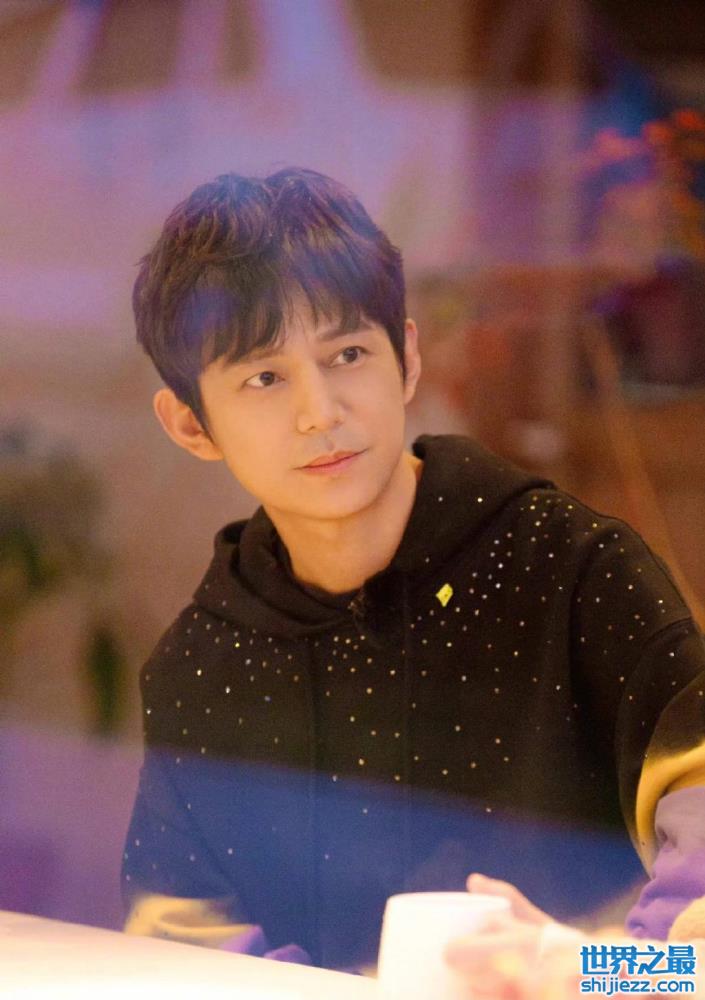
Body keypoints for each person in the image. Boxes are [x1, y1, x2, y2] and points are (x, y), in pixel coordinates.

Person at [122, 168, 705, 973]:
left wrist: (583, 973)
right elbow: (179, 961)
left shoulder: (577, 573)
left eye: (347, 354)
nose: (320, 412)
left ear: (406, 357)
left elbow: (690, 970)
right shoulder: (199, 666)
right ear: (190, 423)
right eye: (264, 376)